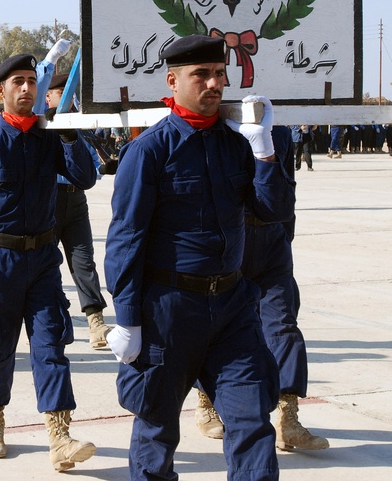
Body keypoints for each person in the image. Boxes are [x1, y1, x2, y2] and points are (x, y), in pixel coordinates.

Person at [104, 36, 294, 481]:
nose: (214, 83)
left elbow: (273, 210)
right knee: (156, 430)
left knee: (252, 424)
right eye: (201, 75)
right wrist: (128, 317)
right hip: (168, 311)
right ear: (173, 81)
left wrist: (264, 150)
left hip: (231, 308)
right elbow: (125, 238)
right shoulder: (149, 150)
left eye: (219, 74)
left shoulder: (236, 144)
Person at [0, 53, 98, 472]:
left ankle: (59, 435)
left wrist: (67, 134)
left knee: (51, 346)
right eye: (18, 81)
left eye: (32, 82)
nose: (26, 89)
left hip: (41, 261)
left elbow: (85, 178)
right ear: (1, 90)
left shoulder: (48, 137)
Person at [194, 125, 329, 452]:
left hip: (271, 241)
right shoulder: (216, 124)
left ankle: (288, 417)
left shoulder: (279, 130)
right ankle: (206, 402)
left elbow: (286, 183)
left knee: (284, 326)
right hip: (229, 239)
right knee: (216, 327)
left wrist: (285, 233)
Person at [41, 72, 113, 350]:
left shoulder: (80, 124)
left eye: (71, 94)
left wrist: (101, 169)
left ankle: (95, 320)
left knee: (84, 262)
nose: (69, 99)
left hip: (76, 201)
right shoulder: (44, 124)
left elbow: (92, 162)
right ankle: (51, 319)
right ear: (48, 97)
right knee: (48, 264)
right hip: (49, 201)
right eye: (62, 94)